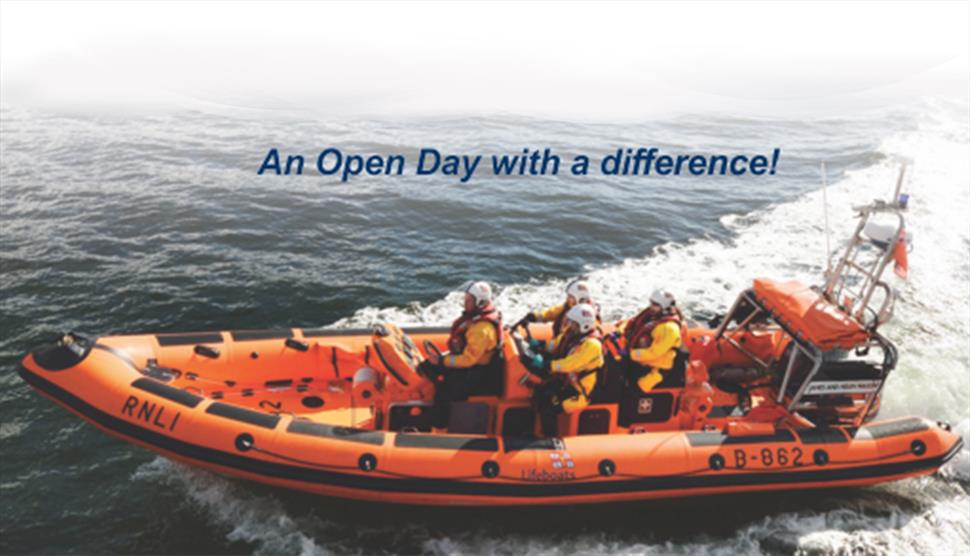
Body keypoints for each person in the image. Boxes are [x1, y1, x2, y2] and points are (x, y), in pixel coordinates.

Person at [421, 281, 503, 428]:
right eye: (466, 298)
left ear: (480, 302)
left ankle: (439, 426)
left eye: (469, 300)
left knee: (444, 390)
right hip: (470, 362)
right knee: (426, 367)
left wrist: (442, 361)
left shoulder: (481, 330)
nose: (465, 303)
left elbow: (468, 360)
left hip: (476, 372)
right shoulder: (476, 320)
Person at [528, 303, 604, 436]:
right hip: (566, 382)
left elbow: (572, 364)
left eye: (573, 323)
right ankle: (537, 433)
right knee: (540, 393)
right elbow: (555, 344)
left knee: (549, 408)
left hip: (579, 391)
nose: (570, 325)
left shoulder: (592, 345)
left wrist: (548, 365)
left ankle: (551, 439)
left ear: (583, 324)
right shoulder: (572, 334)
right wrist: (540, 345)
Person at [616, 289, 687, 393]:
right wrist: (619, 331)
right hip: (641, 358)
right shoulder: (651, 315)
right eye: (651, 303)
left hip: (656, 367)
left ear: (665, 307)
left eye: (655, 304)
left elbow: (654, 353)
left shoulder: (669, 329)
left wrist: (630, 354)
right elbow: (633, 324)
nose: (651, 306)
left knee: (635, 389)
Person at [513, 279, 597, 337]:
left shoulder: (588, 320)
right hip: (560, 343)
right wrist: (533, 316)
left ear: (580, 299)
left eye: (571, 297)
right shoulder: (569, 306)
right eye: (568, 296)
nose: (567, 299)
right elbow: (552, 313)